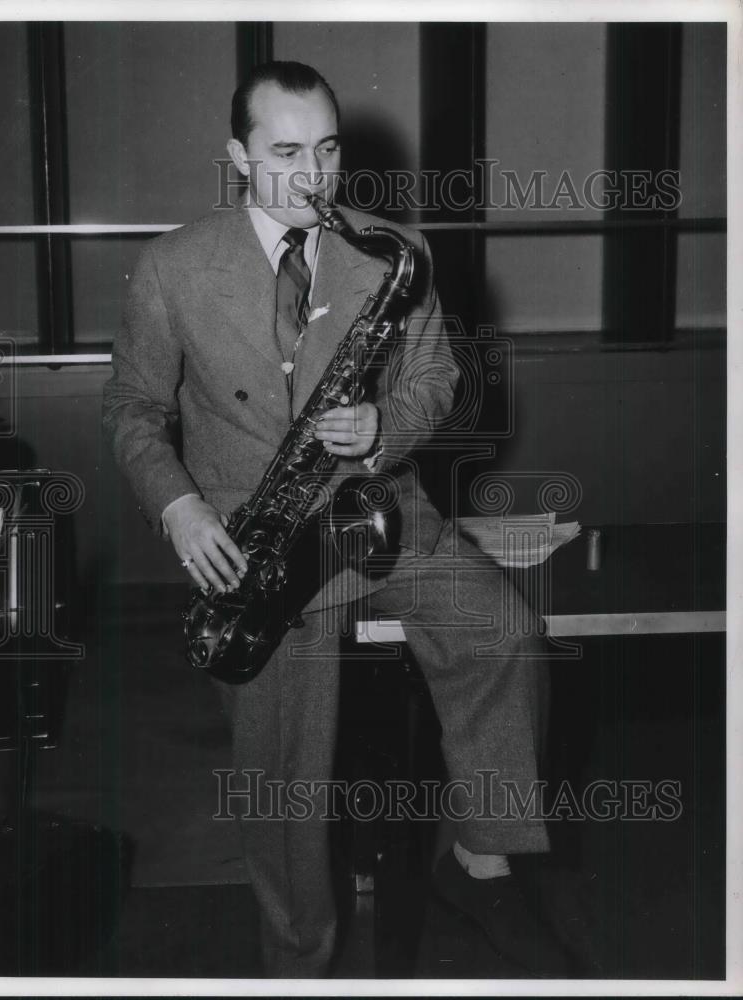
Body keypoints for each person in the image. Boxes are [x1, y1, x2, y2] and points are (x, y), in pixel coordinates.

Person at [103, 60, 570, 979]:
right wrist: (181, 506)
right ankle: (297, 963)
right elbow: (128, 406)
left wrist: (385, 428)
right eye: (284, 153)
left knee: (508, 636)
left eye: (326, 150)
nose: (313, 177)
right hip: (255, 539)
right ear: (236, 156)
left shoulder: (393, 252)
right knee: (287, 784)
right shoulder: (172, 266)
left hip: (379, 507)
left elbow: (438, 379)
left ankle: (480, 859)